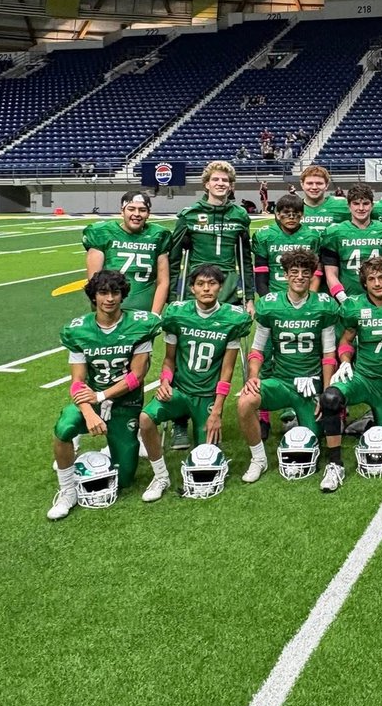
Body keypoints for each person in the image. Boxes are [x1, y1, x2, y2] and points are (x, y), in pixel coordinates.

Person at [48, 270, 161, 520]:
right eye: (103, 292)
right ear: (94, 296)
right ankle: (67, 491)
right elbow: (77, 383)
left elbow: (136, 376)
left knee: (125, 479)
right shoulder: (79, 330)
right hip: (91, 403)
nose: (109, 298)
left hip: (125, 404)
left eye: (115, 292)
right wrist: (89, 412)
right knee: (65, 427)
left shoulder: (139, 324)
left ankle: (112, 448)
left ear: (123, 295)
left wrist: (101, 396)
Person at [138, 265, 252, 501]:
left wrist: (217, 411)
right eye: (200, 284)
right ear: (191, 288)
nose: (206, 288)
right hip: (179, 393)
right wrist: (165, 382)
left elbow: (227, 370)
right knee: (145, 418)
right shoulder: (178, 314)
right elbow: (169, 360)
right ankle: (160, 476)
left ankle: (204, 428)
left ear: (220, 287)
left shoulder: (231, 319)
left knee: (207, 459)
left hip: (208, 397)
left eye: (212, 284)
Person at [167, 160, 254, 449]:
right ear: (206, 184)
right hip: (195, 288)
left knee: (224, 353)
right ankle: (179, 420)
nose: (220, 184)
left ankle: (220, 408)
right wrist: (172, 298)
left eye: (225, 181)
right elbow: (176, 257)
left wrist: (250, 296)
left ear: (231, 185)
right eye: (215, 180)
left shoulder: (240, 215)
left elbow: (247, 259)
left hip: (228, 287)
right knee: (183, 352)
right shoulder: (189, 214)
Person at [317, 258, 382, 490]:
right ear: (364, 283)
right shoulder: (355, 306)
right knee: (330, 398)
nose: (377, 283)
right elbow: (345, 342)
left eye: (381, 277)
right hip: (362, 379)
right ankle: (335, 465)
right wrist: (345, 361)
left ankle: (368, 420)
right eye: (371, 279)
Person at [238, 249, 338, 486]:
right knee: (244, 402)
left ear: (312, 275)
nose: (300, 277)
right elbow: (257, 350)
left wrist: (324, 392)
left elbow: (328, 354)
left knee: (312, 441)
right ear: (285, 275)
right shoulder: (271, 305)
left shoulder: (323, 305)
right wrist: (253, 377)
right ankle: (259, 459)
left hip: (309, 385)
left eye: (305, 272)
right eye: (294, 272)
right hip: (281, 381)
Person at [83, 190, 170, 315]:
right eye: (131, 209)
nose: (136, 214)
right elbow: (94, 282)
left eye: (142, 210)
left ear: (148, 214)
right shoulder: (103, 233)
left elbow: (163, 281)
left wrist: (155, 315)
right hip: (110, 312)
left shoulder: (158, 235)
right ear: (122, 211)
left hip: (144, 313)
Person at [320, 184, 382, 301]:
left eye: (365, 203)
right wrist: (343, 300)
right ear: (349, 206)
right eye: (356, 203)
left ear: (372, 205)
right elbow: (331, 273)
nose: (361, 208)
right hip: (348, 296)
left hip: (380, 296)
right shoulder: (335, 232)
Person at [252, 193, 323, 295]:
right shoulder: (265, 236)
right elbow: (261, 271)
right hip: (275, 292)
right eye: (286, 213)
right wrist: (266, 297)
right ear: (278, 214)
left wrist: (310, 296)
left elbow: (317, 271)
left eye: (295, 213)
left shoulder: (312, 236)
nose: (291, 217)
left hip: (304, 293)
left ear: (302, 214)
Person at [299, 164, 350, 231]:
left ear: (326, 185)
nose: (314, 187)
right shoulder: (293, 208)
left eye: (319, 183)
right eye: (310, 183)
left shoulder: (343, 205)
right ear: (302, 184)